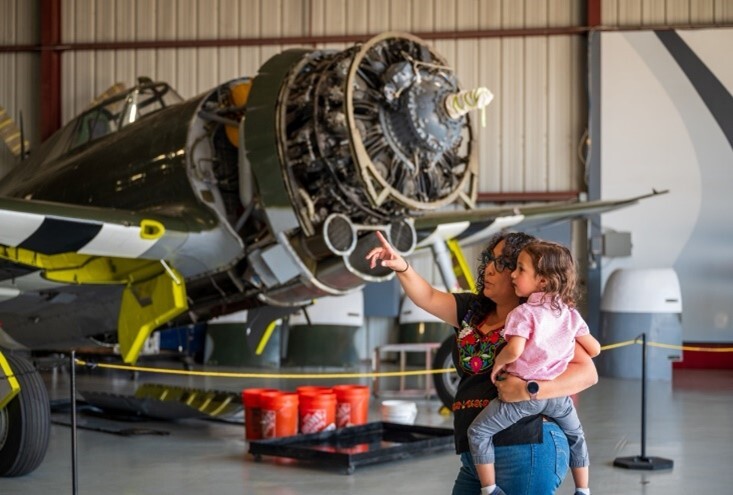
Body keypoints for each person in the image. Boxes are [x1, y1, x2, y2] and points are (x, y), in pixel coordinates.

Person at [366, 230, 598, 495]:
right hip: (477, 455)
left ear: (523, 274)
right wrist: (402, 266)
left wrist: (529, 389)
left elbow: (588, 372)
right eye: (490, 259)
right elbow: (428, 297)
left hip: (527, 446)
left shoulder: (542, 317)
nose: (488, 268)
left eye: (501, 263)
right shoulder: (472, 309)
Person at [468, 240, 601, 495]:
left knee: (479, 431)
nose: (514, 275)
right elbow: (594, 349)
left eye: (520, 269)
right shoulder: (570, 315)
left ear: (542, 281)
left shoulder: (523, 313)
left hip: (521, 398)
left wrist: (499, 361)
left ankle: (489, 488)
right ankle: (583, 489)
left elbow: (515, 349)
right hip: (558, 399)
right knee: (577, 437)